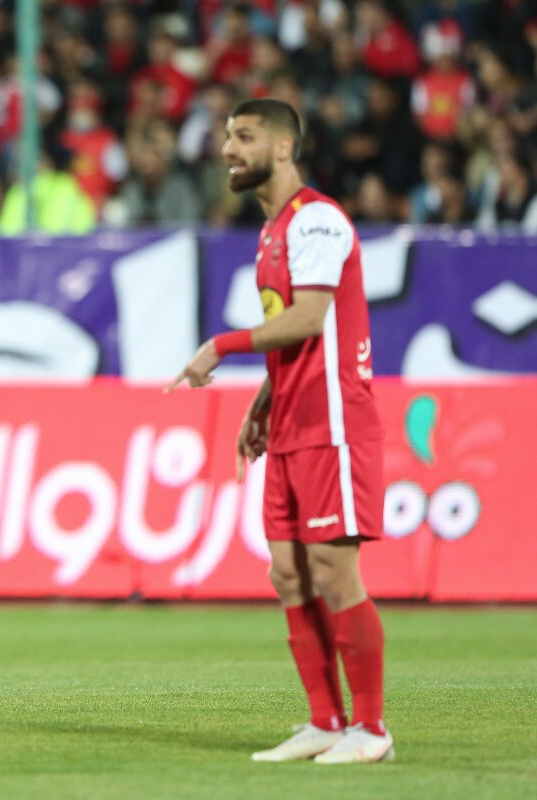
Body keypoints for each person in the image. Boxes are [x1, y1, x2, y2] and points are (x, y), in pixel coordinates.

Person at [166, 99, 392, 764]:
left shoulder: (316, 220)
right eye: (227, 137)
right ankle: (326, 721)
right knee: (288, 573)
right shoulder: (271, 232)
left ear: (284, 148)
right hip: (292, 422)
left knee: (334, 572)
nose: (228, 149)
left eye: (244, 136)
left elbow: (309, 318)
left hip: (334, 421)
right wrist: (263, 403)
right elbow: (291, 339)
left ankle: (371, 730)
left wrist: (221, 345)